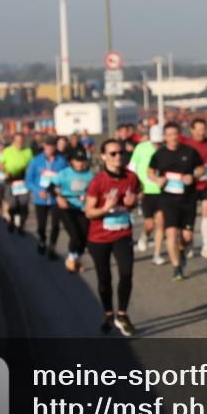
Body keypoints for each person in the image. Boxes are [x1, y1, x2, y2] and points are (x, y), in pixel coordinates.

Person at [84, 138, 141, 336]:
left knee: (126, 272)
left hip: (122, 232)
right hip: (99, 237)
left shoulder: (131, 177)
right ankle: (108, 313)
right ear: (103, 157)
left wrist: (132, 203)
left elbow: (135, 198)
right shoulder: (97, 181)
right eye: (113, 153)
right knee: (104, 278)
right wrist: (105, 208)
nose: (118, 157)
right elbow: (89, 212)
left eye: (121, 153)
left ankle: (122, 314)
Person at [147, 123, 204, 282]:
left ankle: (182, 251)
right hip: (168, 198)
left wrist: (193, 176)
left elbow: (202, 169)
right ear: (165, 137)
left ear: (179, 135)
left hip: (188, 198)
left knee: (187, 237)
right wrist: (157, 179)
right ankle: (176, 266)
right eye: (169, 134)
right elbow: (150, 171)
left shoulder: (190, 152)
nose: (173, 137)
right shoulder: (160, 154)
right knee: (170, 233)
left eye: (175, 134)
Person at [180, 117, 207, 259]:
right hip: (191, 184)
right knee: (190, 215)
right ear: (192, 130)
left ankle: (206, 246)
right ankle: (188, 243)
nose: (202, 133)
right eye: (199, 129)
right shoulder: (186, 143)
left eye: (204, 129)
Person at [129, 124, 166, 265]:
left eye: (159, 142)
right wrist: (135, 187)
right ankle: (144, 236)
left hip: (162, 191)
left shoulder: (164, 149)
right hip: (145, 191)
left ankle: (156, 254)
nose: (157, 144)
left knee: (161, 223)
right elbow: (132, 168)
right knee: (149, 224)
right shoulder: (141, 148)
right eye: (155, 142)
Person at [53, 145, 94, 272]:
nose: (80, 164)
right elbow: (50, 186)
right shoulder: (64, 173)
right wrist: (58, 197)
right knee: (75, 235)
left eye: (82, 161)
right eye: (77, 161)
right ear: (71, 161)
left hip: (82, 207)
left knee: (85, 236)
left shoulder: (89, 175)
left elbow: (94, 190)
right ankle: (71, 258)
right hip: (67, 207)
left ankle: (76, 259)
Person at [26, 135, 68, 258]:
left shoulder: (62, 161)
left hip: (55, 198)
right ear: (44, 146)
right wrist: (38, 190)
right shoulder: (35, 161)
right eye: (48, 145)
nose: (50, 148)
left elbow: (66, 178)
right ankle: (42, 241)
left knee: (55, 225)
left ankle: (52, 248)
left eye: (52, 145)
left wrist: (62, 188)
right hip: (41, 199)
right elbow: (29, 181)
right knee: (41, 225)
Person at [0, 132, 34, 234]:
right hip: (11, 180)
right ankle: (11, 220)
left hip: (23, 180)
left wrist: (29, 171)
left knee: (24, 204)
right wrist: (5, 172)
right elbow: (1, 164)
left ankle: (21, 225)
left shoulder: (28, 151)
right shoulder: (7, 151)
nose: (20, 143)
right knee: (13, 204)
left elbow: (31, 164)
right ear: (13, 141)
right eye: (18, 141)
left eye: (21, 141)